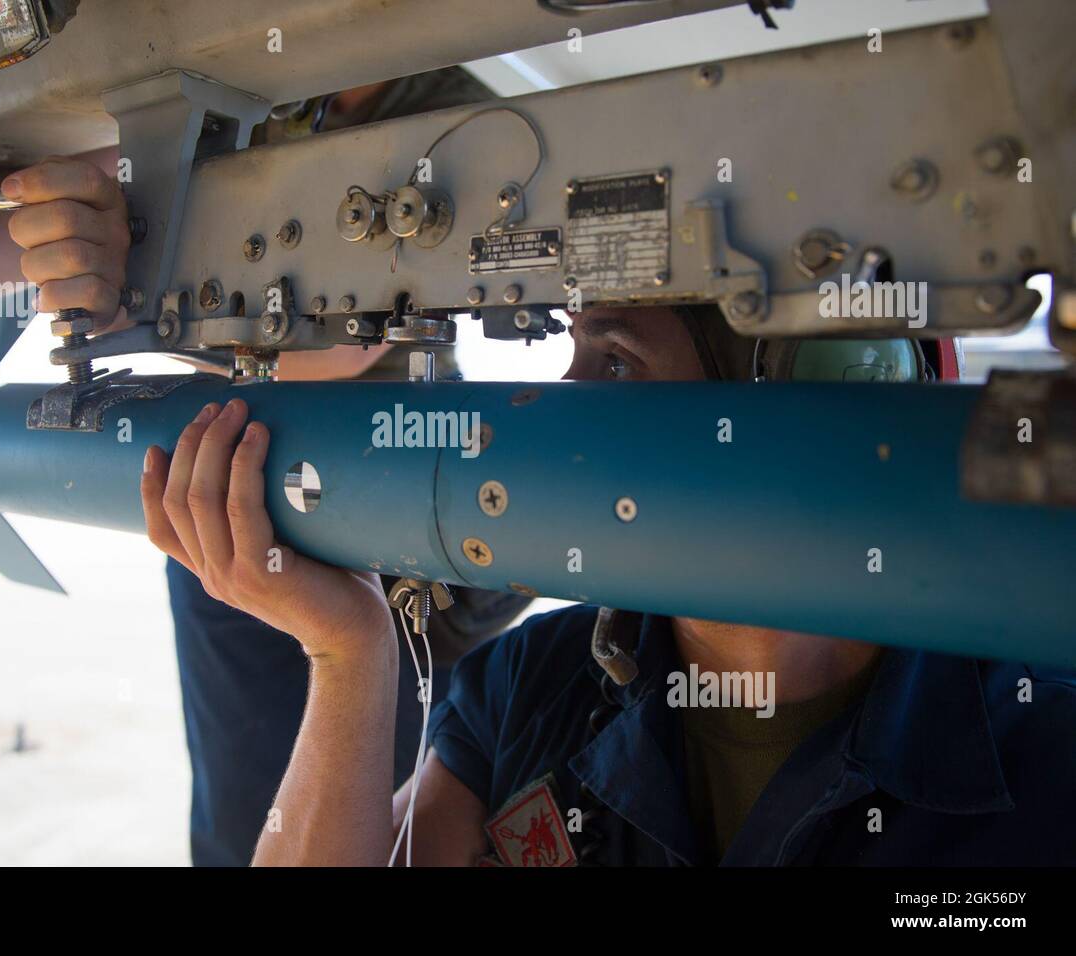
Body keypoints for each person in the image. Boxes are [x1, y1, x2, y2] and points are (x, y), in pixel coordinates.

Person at [0, 64, 526, 868]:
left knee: (389, 814)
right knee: (251, 825)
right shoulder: (239, 84)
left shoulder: (462, 120)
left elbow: (347, 346)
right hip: (232, 503)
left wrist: (134, 303)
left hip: (394, 514)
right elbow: (60, 202)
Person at [140, 304, 1076, 866]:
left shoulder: (1043, 743)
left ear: (810, 396)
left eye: (615, 360)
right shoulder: (527, 684)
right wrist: (350, 652)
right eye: (573, 354)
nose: (556, 404)